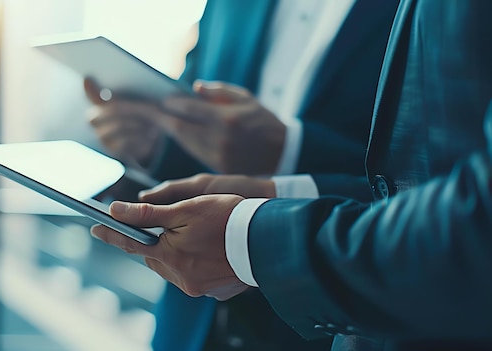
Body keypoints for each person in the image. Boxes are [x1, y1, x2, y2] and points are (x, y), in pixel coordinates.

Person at [91, 0, 492, 350]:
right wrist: (157, 146)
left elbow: (428, 178)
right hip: (194, 322)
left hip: (346, 317)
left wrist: (288, 152)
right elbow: (195, 107)